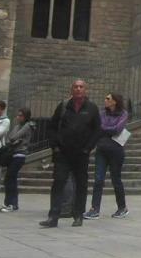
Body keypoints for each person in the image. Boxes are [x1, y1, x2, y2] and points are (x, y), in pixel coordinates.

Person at [40, 79, 100, 228]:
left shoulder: (92, 108)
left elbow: (97, 130)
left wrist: (88, 148)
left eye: (81, 87)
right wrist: (55, 146)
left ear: (85, 90)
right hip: (63, 153)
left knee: (81, 184)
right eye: (76, 87)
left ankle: (78, 214)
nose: (78, 89)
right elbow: (52, 127)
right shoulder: (63, 106)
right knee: (58, 182)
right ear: (71, 89)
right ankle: (53, 216)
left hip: (81, 153)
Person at [85, 93, 129, 219]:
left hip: (116, 151)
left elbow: (117, 129)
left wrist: (104, 129)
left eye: (108, 98)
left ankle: (122, 208)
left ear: (115, 101)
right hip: (102, 150)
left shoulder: (123, 114)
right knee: (98, 179)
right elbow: (98, 128)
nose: (105, 100)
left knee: (116, 179)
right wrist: (106, 129)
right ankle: (94, 209)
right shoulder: (101, 113)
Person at [0, 107, 33, 212]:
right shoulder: (18, 126)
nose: (18, 117)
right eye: (18, 115)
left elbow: (14, 137)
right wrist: (13, 139)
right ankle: (11, 203)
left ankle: (10, 204)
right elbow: (11, 138)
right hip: (13, 154)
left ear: (26, 117)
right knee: (10, 179)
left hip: (20, 155)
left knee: (9, 178)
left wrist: (14, 139)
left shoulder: (27, 126)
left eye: (20, 115)